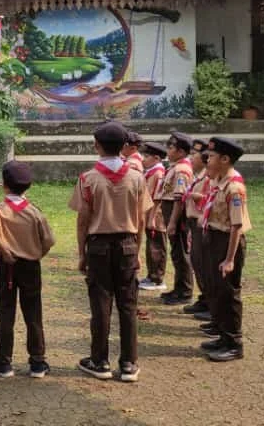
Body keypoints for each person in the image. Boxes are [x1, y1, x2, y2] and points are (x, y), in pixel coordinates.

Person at [69, 122, 153, 383]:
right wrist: (137, 250)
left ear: (97, 145)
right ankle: (129, 363)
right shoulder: (137, 178)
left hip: (99, 247)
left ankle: (99, 360)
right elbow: (140, 219)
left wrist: (82, 253)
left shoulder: (88, 179)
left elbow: (83, 220)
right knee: (128, 305)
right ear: (124, 146)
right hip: (127, 244)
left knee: (100, 304)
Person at [0, 161, 54, 379]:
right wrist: (36, 254)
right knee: (33, 313)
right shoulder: (34, 212)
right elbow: (49, 241)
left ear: (4, 184)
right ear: (28, 186)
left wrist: (3, 249)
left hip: (7, 267)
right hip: (31, 266)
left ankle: (3, 361)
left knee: (6, 312)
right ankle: (37, 362)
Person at [198, 137, 251, 362]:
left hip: (228, 242)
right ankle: (222, 336)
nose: (207, 159)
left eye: (211, 156)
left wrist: (229, 259)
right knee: (216, 290)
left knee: (229, 293)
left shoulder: (234, 188)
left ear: (225, 159)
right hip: (214, 239)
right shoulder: (218, 181)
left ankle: (233, 343)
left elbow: (236, 226)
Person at [160, 131, 195, 305]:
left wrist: (173, 222)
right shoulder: (176, 166)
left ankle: (185, 292)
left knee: (181, 252)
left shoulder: (182, 170)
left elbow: (179, 199)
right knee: (176, 252)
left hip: (178, 215)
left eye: (171, 146)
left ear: (181, 151)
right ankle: (179, 288)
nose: (168, 149)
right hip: (171, 210)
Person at [182, 138, 211, 318]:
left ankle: (211, 303)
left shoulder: (209, 177)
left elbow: (213, 200)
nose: (190, 158)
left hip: (202, 224)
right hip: (194, 223)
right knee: (197, 262)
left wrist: (195, 196)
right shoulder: (199, 175)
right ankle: (205, 298)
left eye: (194, 154)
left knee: (203, 264)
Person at [138, 142, 168, 292]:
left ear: (156, 158)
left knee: (157, 247)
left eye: (146, 156)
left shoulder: (158, 173)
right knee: (151, 246)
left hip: (156, 217)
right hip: (149, 214)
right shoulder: (151, 172)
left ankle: (157, 278)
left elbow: (157, 197)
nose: (143, 159)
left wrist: (152, 218)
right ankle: (151, 276)